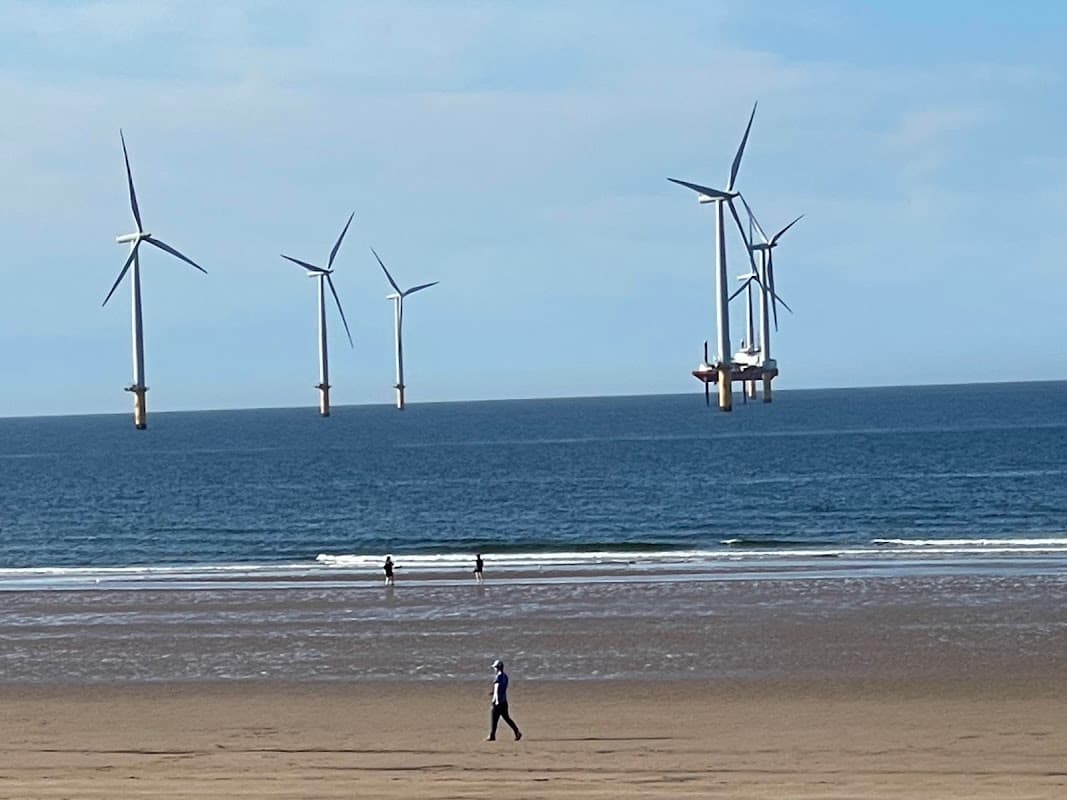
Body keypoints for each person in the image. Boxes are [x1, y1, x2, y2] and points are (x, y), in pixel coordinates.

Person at [486, 659, 522, 741]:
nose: (494, 669)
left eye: (495, 667)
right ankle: (517, 732)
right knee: (506, 718)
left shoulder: (498, 677)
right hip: (504, 701)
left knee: (494, 719)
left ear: (497, 668)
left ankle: (492, 736)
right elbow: (502, 688)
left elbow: (497, 689)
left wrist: (495, 700)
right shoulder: (505, 676)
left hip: (498, 702)